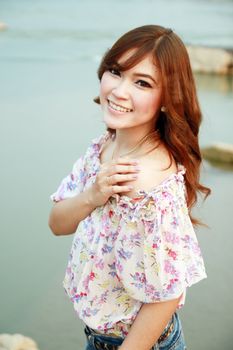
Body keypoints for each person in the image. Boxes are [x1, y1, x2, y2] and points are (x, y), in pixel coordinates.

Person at [49, 25, 210, 350]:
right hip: (100, 338)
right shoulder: (104, 147)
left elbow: (168, 294)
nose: (119, 91)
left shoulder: (150, 184)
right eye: (115, 71)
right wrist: (93, 195)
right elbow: (57, 223)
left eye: (142, 83)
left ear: (168, 99)